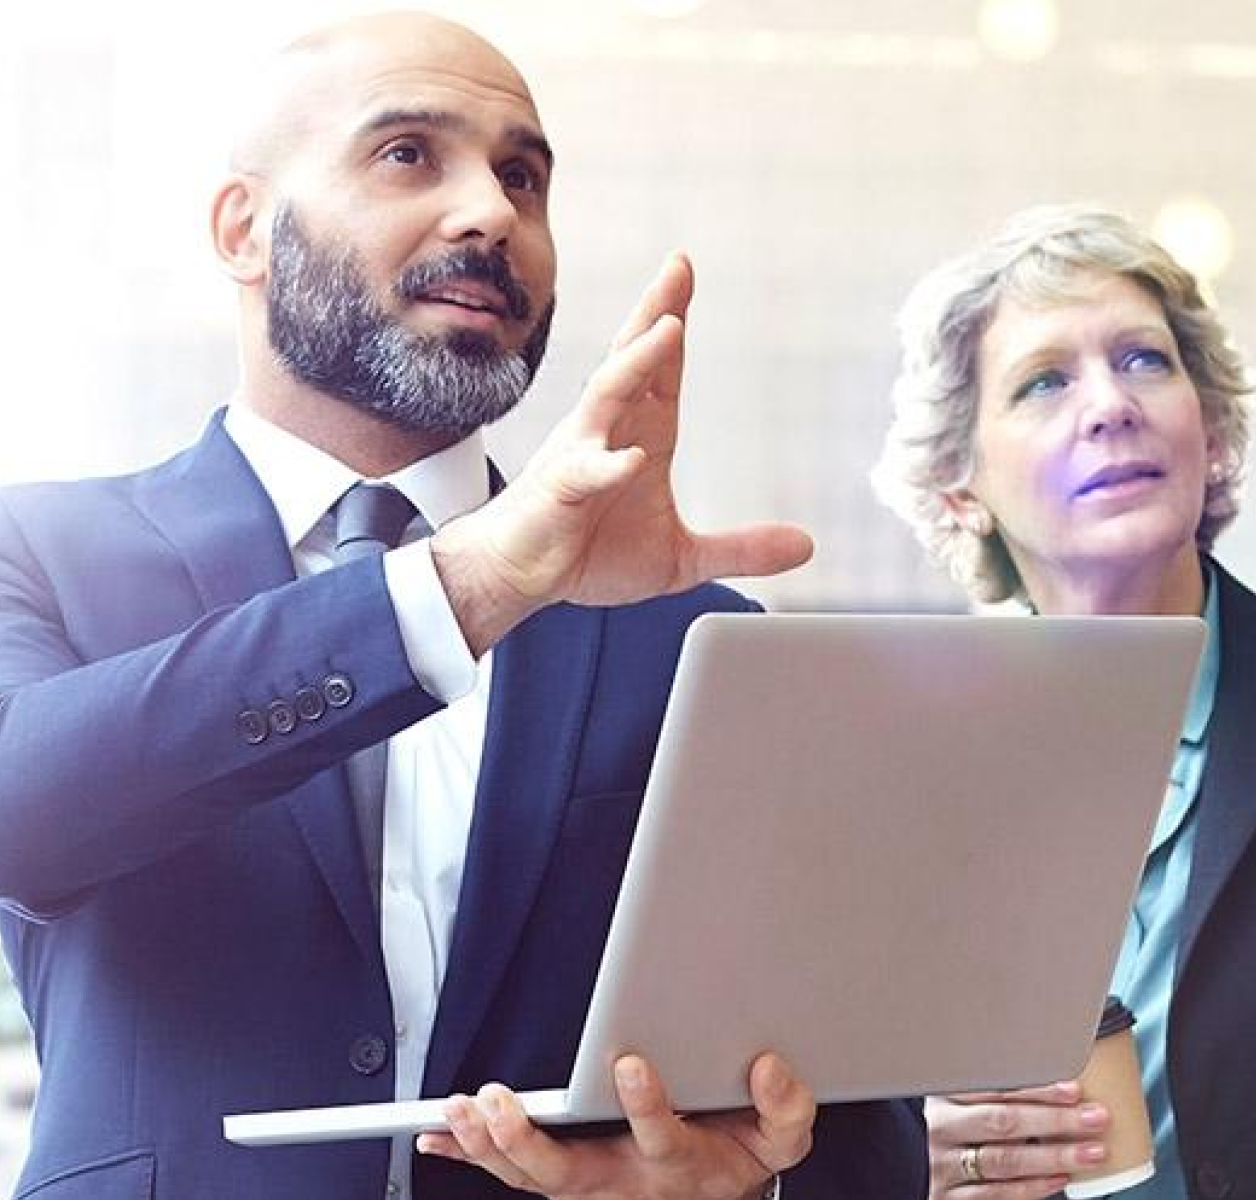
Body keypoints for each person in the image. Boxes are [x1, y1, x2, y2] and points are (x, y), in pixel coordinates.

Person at [0, 11, 927, 1200]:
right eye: (406, 155)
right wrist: (469, 586)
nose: (490, 211)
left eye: (522, 176)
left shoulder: (697, 641)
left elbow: (857, 1115)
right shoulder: (38, 551)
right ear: (245, 230)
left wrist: (743, 1182)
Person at [872, 202, 1253, 1200]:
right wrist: (901, 1161)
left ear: (1204, 426)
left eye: (1141, 360)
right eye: (1044, 380)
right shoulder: (897, 768)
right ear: (959, 485)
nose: (1109, 404)